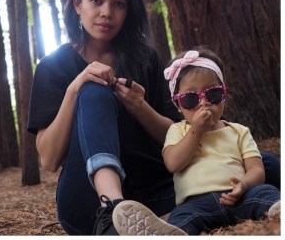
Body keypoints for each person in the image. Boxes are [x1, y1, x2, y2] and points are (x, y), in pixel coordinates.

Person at [27, 0, 182, 235]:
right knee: (92, 89)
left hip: (157, 192)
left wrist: (141, 107)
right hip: (86, 203)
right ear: (78, 4)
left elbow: (176, 137)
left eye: (118, 4)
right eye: (96, 1)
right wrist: (75, 89)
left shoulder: (146, 59)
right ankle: (113, 209)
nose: (107, 12)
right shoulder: (53, 66)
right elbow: (49, 160)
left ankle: (155, 220)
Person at [112, 47, 281, 235]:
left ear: (224, 94)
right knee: (181, 217)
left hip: (240, 197)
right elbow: (173, 163)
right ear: (178, 105)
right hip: (196, 204)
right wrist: (196, 132)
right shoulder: (177, 131)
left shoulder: (239, 131)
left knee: (265, 193)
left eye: (213, 94)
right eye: (190, 99)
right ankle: (170, 233)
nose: (203, 102)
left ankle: (277, 209)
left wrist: (244, 185)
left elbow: (256, 169)